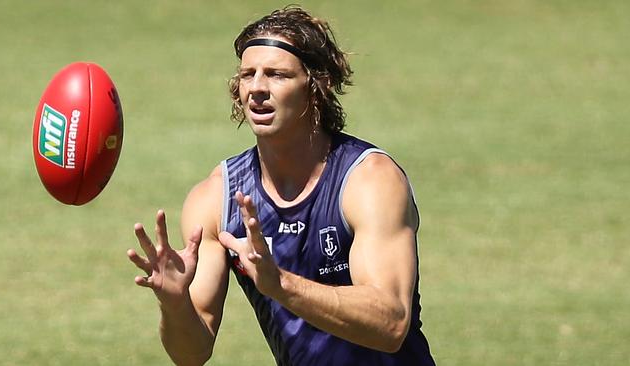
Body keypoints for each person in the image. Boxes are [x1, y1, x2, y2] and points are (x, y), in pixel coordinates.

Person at [127, 6, 436, 366]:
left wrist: (281, 285)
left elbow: (391, 324)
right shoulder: (216, 198)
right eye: (247, 74)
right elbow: (192, 353)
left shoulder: (369, 180)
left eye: (276, 74)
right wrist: (175, 304)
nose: (257, 87)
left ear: (317, 85)